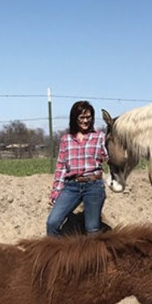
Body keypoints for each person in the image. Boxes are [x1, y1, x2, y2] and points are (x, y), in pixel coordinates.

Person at [46, 100, 108, 236]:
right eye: (82, 117)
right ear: (75, 118)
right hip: (71, 186)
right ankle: (56, 256)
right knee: (52, 223)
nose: (85, 121)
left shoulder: (100, 137)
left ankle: (94, 257)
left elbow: (110, 158)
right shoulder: (66, 139)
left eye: (88, 117)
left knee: (92, 229)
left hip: (93, 186)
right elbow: (61, 167)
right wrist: (56, 191)